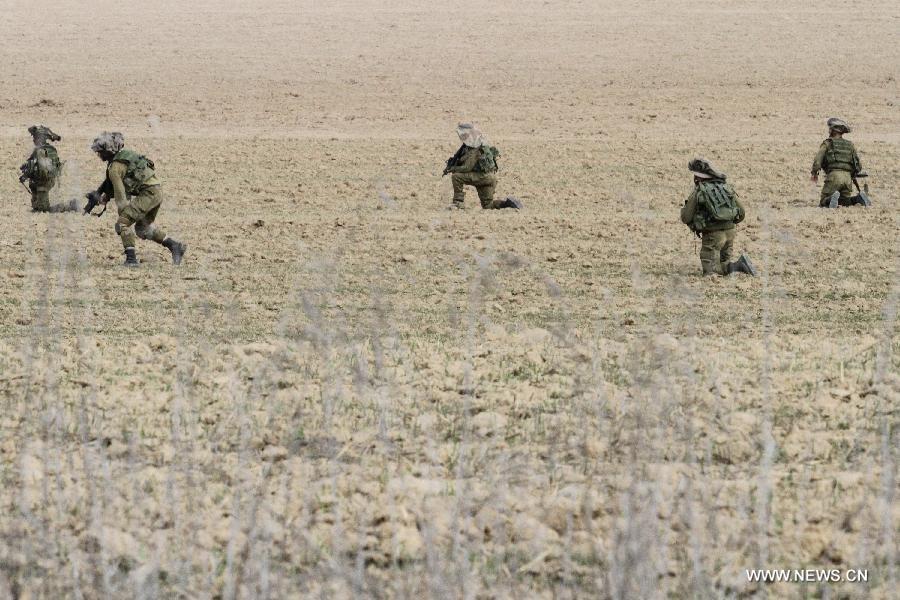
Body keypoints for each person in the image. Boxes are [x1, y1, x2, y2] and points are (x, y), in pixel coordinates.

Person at [90, 132, 186, 266]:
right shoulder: (126, 156)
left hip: (148, 194)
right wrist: (105, 197)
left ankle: (131, 260)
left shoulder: (114, 168)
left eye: (101, 152)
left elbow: (121, 197)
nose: (99, 154)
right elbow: (127, 181)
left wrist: (123, 218)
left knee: (123, 223)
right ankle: (175, 246)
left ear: (108, 152)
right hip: (156, 191)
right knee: (143, 229)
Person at [680, 158, 755, 277]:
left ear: (697, 178)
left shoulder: (699, 191)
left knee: (711, 271)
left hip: (712, 236)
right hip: (730, 232)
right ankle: (733, 266)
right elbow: (742, 213)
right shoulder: (725, 187)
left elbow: (686, 217)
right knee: (723, 263)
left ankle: (740, 265)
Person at [443, 123, 521, 209]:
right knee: (488, 206)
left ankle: (458, 203)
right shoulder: (480, 145)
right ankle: (508, 204)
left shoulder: (474, 149)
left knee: (456, 177)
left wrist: (452, 168)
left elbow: (466, 168)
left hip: (481, 177)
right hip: (489, 178)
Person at [810, 118, 869, 208]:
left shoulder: (827, 143)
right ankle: (858, 199)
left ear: (833, 130)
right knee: (845, 202)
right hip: (848, 178)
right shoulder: (850, 145)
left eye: (830, 128)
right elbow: (858, 165)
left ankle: (830, 200)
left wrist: (814, 173)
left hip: (834, 176)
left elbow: (817, 161)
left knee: (823, 201)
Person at [19, 125, 76, 213]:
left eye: (35, 137)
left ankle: (70, 205)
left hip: (44, 182)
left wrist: (25, 176)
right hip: (45, 180)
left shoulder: (41, 151)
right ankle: (38, 201)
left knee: (44, 209)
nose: (33, 140)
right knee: (36, 207)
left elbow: (40, 169)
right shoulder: (49, 149)